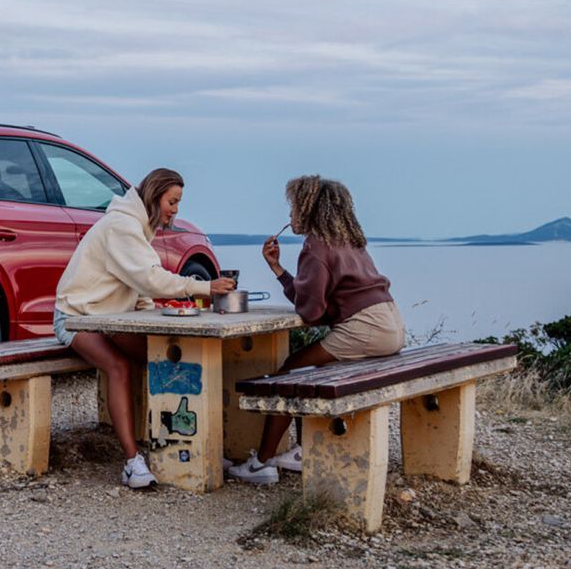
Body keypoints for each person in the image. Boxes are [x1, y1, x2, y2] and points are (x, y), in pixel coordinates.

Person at [53, 168, 236, 489]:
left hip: (109, 317)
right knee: (120, 367)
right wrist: (204, 288)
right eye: (172, 201)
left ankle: (189, 447)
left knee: (162, 362)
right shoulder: (121, 227)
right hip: (75, 316)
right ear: (155, 196)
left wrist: (153, 312)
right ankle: (132, 462)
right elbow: (149, 278)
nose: (176, 210)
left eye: (178, 203)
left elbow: (135, 287)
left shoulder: (136, 228)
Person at [227, 175, 405, 483]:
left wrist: (287, 279)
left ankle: (264, 463)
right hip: (389, 321)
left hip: (366, 328)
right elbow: (319, 305)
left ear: (309, 208)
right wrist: (279, 270)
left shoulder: (316, 247)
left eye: (294, 206)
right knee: (306, 372)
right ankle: (299, 451)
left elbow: (310, 312)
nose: (290, 214)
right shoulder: (347, 239)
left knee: (288, 374)